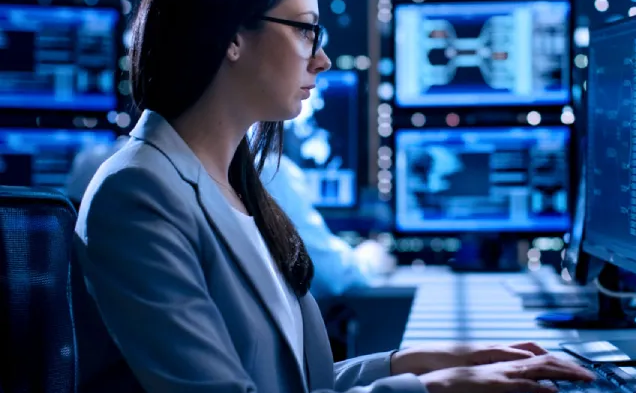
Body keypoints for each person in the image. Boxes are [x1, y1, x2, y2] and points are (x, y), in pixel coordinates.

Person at [70, 0, 595, 393]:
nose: (320, 58)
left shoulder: (235, 187)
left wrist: (418, 365)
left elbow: (290, 391)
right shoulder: (136, 194)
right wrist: (434, 391)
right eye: (304, 30)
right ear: (230, 35)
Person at [67, 141, 393, 300]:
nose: (321, 61)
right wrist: (371, 256)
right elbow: (332, 275)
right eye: (303, 31)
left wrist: (388, 369)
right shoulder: (267, 174)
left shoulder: (92, 163)